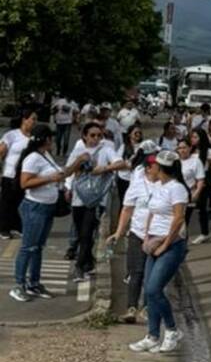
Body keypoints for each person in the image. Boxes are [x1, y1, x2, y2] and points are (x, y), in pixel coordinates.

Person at [10, 126, 83, 302]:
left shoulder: (45, 156)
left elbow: (63, 173)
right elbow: (24, 182)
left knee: (37, 248)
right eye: (51, 138)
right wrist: (50, 179)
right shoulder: (33, 158)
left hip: (47, 207)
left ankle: (34, 283)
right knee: (28, 247)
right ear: (46, 140)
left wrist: (77, 163)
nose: (53, 141)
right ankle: (18, 284)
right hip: (34, 207)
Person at [129, 150, 189, 354]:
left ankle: (172, 329)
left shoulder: (177, 189)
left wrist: (165, 244)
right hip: (153, 240)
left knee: (155, 288)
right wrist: (146, 237)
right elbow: (151, 213)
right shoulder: (157, 187)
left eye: (153, 166)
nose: (149, 169)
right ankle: (153, 335)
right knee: (149, 290)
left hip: (171, 244)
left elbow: (178, 218)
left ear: (161, 169)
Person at [107, 140, 160, 323]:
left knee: (151, 275)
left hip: (157, 237)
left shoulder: (167, 186)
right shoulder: (137, 184)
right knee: (135, 272)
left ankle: (147, 308)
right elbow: (127, 209)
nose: (156, 169)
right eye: (153, 166)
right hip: (137, 234)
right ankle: (131, 308)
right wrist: (119, 233)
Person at [67, 121, 126, 281]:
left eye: (99, 135)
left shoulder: (106, 150)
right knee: (80, 233)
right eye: (92, 135)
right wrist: (68, 187)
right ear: (84, 136)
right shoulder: (78, 150)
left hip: (96, 199)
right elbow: (68, 171)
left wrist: (104, 168)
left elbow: (120, 163)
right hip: (79, 198)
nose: (96, 138)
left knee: (87, 233)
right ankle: (88, 263)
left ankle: (79, 268)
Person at [0, 106, 38, 238]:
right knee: (6, 202)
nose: (34, 122)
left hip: (26, 176)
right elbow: (1, 152)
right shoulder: (12, 135)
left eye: (35, 119)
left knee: (19, 202)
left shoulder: (35, 138)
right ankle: (4, 229)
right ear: (24, 120)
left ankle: (16, 226)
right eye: (32, 119)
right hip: (10, 174)